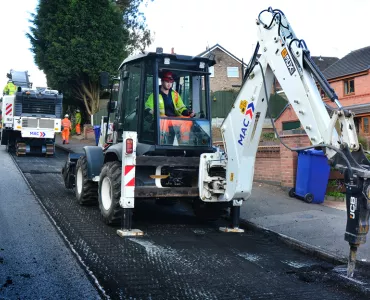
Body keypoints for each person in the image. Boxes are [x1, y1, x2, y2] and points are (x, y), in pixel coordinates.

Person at [145, 71, 195, 144]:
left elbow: (181, 107)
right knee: (162, 120)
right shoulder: (155, 94)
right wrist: (151, 111)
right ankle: (162, 142)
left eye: (171, 82)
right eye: (167, 81)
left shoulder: (175, 94)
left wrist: (188, 112)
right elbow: (147, 106)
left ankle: (184, 143)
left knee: (187, 121)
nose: (169, 84)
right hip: (162, 119)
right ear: (162, 81)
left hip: (173, 119)